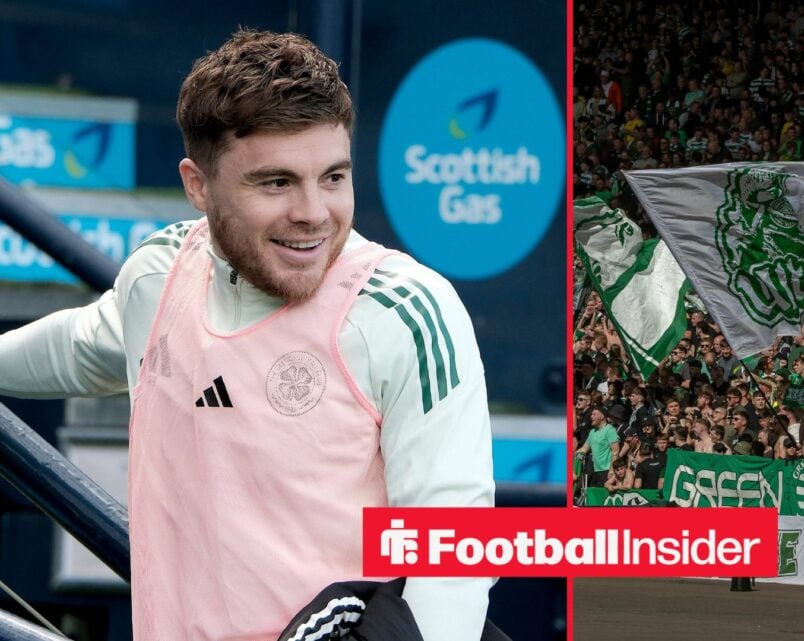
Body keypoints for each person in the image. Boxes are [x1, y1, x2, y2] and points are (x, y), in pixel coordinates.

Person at [0, 30, 498, 641]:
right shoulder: (159, 274)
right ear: (198, 185)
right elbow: (82, 346)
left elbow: (454, 553)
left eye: (334, 177)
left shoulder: (405, 309)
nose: (314, 212)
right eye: (276, 182)